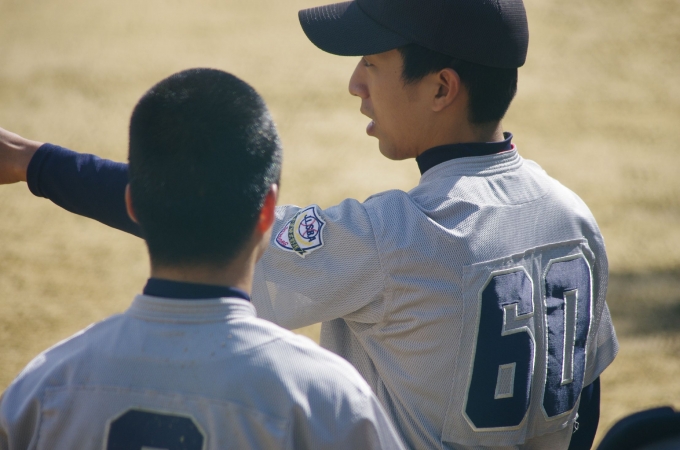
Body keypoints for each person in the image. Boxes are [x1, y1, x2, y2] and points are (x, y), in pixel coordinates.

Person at [0, 0, 619, 448]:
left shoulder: (398, 236)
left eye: (372, 62)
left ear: (441, 88)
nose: (355, 84)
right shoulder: (573, 217)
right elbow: (583, 398)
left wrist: (36, 164)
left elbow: (199, 206)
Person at [0, 68, 405, 450]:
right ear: (267, 211)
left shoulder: (43, 386)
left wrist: (32, 161)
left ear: (132, 205)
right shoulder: (328, 399)